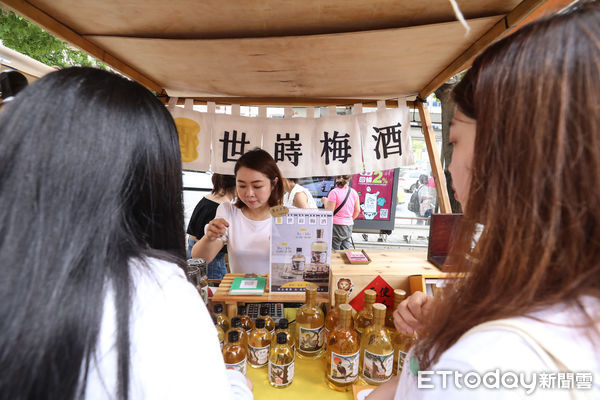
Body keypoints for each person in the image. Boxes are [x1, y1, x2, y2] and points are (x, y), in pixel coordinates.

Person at [368, 2, 600, 398]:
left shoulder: (493, 360)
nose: (451, 162)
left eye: (454, 139)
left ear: (512, 150)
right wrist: (452, 324)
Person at [0, 68, 252, 399]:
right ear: (155, 177)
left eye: (257, 185)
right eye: (244, 184)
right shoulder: (158, 292)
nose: (249, 192)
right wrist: (235, 386)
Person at [192, 148, 284, 274]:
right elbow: (200, 259)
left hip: (277, 292)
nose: (249, 194)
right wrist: (209, 237)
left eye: (257, 186)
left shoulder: (290, 216)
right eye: (242, 186)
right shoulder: (228, 212)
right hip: (239, 291)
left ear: (273, 184)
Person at [186, 173, 236, 279]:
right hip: (210, 258)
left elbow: (191, 228)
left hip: (191, 246)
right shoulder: (222, 208)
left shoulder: (207, 198)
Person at [322, 175, 360, 250]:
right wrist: (349, 219)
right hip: (348, 226)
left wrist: (325, 202)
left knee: (334, 250)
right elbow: (357, 210)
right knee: (345, 250)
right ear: (349, 179)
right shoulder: (353, 192)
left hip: (336, 226)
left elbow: (329, 212)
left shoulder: (334, 192)